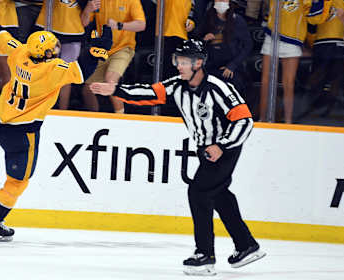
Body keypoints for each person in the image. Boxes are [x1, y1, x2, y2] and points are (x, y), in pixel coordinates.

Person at [90, 39, 265, 276]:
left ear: (199, 63)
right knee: (219, 194)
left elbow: (244, 120)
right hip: (207, 150)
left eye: (183, 62)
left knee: (199, 192)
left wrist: (222, 145)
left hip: (226, 147)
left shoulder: (218, 87)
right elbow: (149, 93)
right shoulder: (177, 85)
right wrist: (116, 90)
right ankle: (246, 245)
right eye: (177, 61)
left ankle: (204, 255)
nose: (178, 66)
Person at [0, 0, 112, 241]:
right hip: (22, 133)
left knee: (15, 173)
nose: (58, 49)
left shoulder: (20, 52)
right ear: (47, 54)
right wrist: (99, 49)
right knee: (18, 181)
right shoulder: (53, 70)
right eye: (54, 47)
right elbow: (83, 72)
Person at [254, 0, 327, 123]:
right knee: (266, 81)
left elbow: (315, 20)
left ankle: (288, 122)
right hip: (272, 38)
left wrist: (316, 1)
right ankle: (262, 119)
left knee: (288, 84)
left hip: (292, 43)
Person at [81, 0, 146, 113]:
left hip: (123, 48)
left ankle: (120, 117)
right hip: (101, 50)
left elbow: (141, 25)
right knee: (88, 88)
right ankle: (93, 118)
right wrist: (87, 9)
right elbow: (84, 23)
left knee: (110, 82)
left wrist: (119, 25)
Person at [32, 0, 95, 110]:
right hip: (48, 28)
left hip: (74, 31)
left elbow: (92, 4)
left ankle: (62, 111)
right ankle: (41, 108)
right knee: (44, 72)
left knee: (65, 75)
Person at [200, 0, 253, 96]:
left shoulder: (237, 20)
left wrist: (232, 65)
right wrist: (204, 39)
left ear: (229, 1)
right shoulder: (208, 18)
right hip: (211, 66)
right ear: (214, 0)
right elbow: (197, 40)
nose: (221, 0)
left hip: (231, 66)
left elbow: (248, 45)